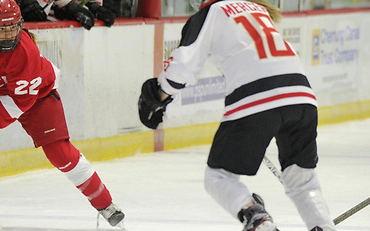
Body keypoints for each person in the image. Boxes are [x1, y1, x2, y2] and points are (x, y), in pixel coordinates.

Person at [138, 0, 336, 231]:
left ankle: (258, 220)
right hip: (302, 97)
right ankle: (323, 226)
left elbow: (182, 67)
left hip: (256, 98)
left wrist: (157, 95)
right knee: (302, 179)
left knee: (218, 178)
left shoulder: (211, 12)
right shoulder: (258, 8)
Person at [0, 0, 124, 228]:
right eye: (0, 29)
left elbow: (21, 101)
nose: (8, 36)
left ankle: (105, 203)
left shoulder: (24, 52)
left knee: (59, 153)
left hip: (37, 95)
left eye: (13, 28)